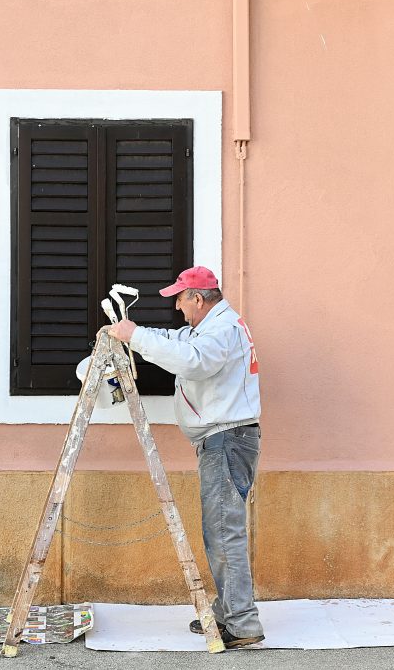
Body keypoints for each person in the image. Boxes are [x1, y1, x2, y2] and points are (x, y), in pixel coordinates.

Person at [107, 266, 264, 649]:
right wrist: (135, 333)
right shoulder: (208, 329)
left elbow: (193, 361)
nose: (177, 307)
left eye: (179, 298)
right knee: (220, 531)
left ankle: (242, 624)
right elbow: (176, 339)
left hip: (227, 440)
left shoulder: (221, 331)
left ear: (198, 298)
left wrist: (135, 336)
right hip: (225, 440)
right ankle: (229, 613)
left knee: (223, 532)